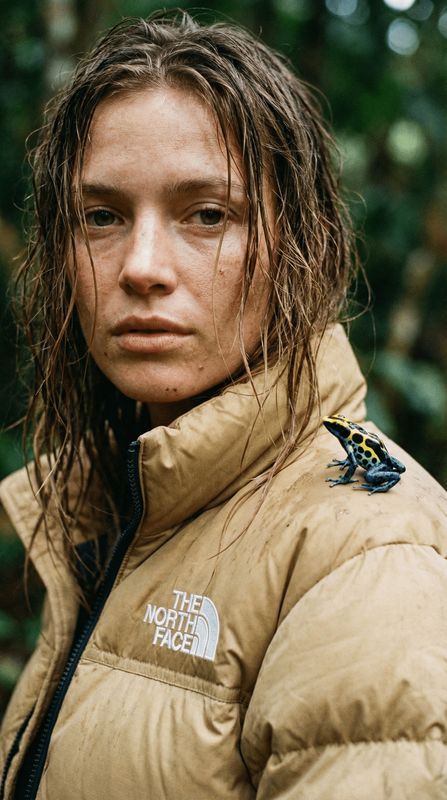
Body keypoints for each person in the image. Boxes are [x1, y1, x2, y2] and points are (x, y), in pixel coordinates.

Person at [1, 10, 446, 800]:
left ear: (299, 241)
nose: (140, 266)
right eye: (101, 216)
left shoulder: (369, 554)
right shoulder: (120, 499)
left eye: (207, 215)